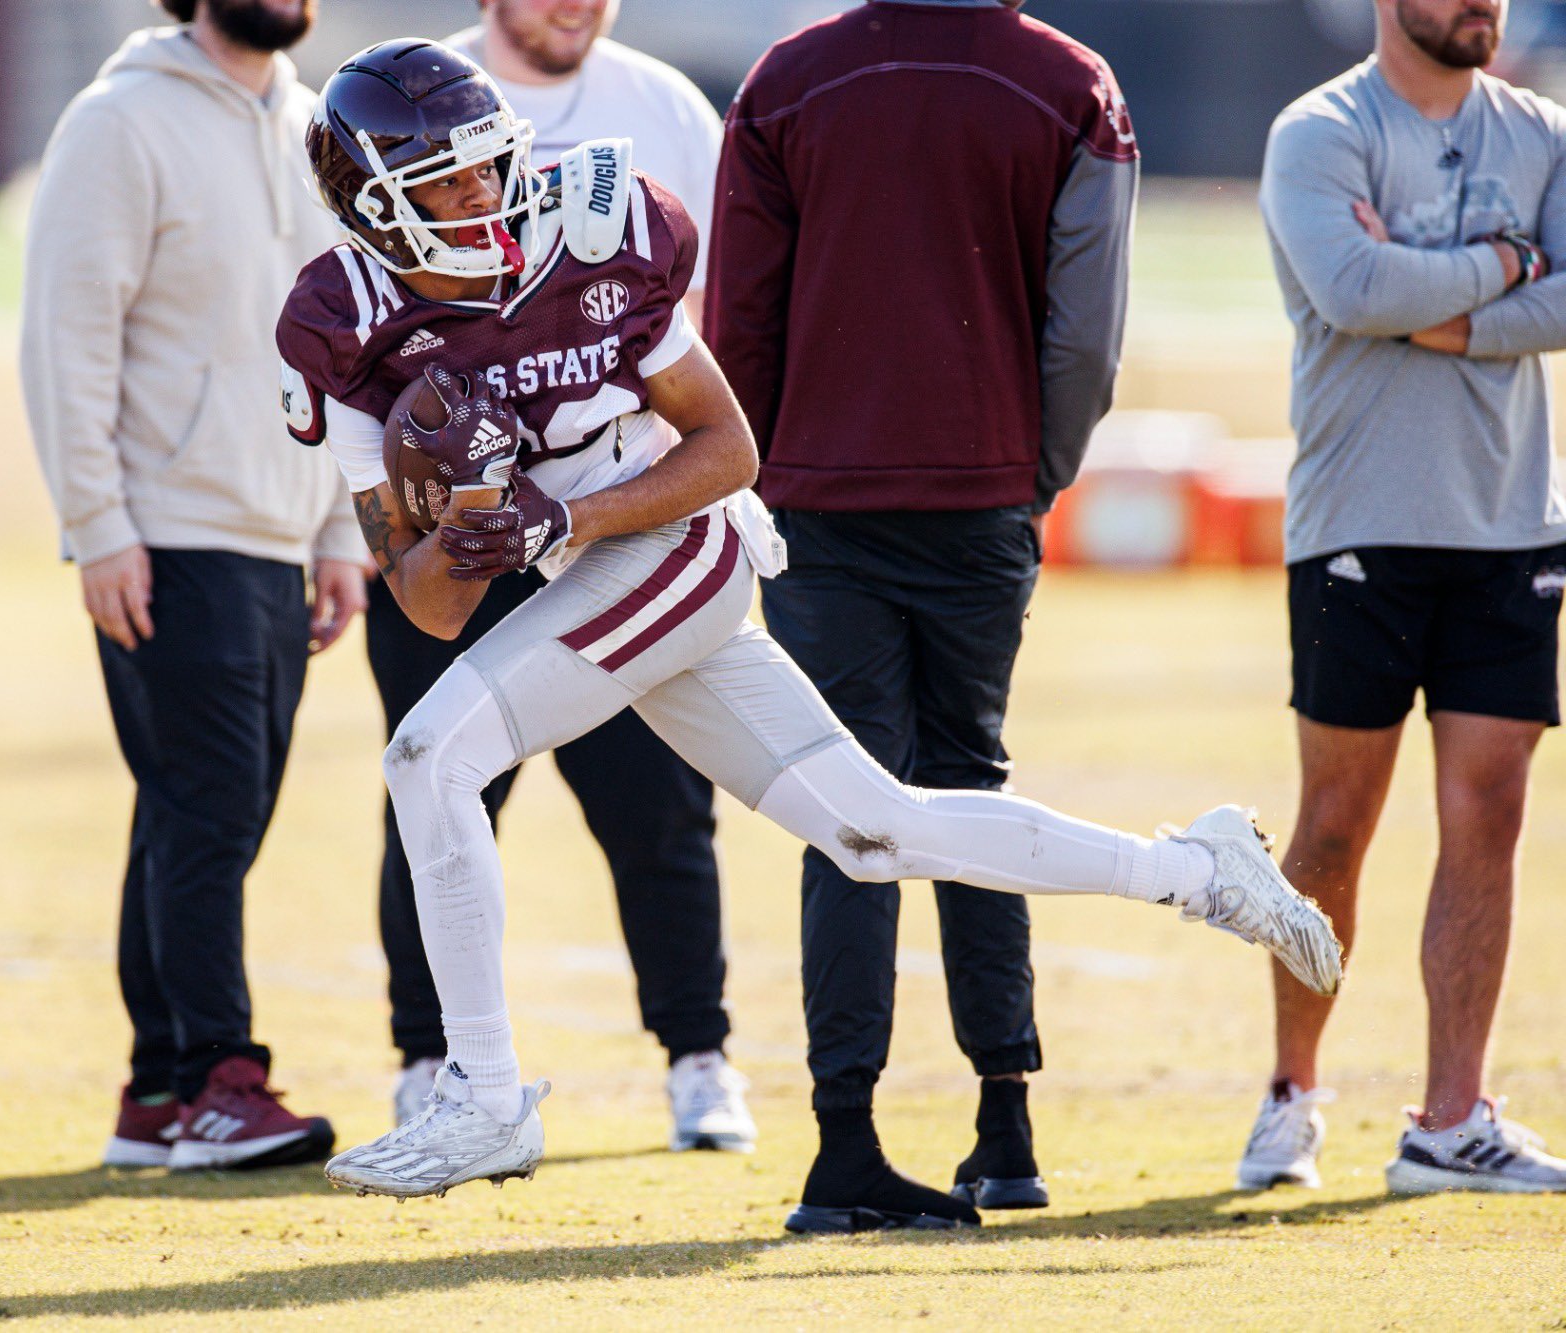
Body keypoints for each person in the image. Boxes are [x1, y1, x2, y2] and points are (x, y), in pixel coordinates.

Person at [276, 39, 1339, 1226]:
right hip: (583, 562)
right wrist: (471, 510)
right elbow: (427, 605)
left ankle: (480, 1092)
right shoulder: (340, 324)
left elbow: (729, 451)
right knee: (878, 830)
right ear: (379, 208)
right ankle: (1200, 870)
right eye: (451, 184)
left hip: (678, 542)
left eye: (492, 167)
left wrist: (554, 512)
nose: (487, 198)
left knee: (431, 755)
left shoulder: (600, 232)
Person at [706, 0, 1138, 1217]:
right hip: (981, 491)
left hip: (815, 502)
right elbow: (1086, 332)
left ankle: (843, 1143)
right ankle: (1006, 1130)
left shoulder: (787, 79)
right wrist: (1030, 471)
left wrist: (751, 482)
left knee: (846, 808)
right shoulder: (1068, 81)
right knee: (968, 782)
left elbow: (739, 317)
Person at [365, 0, 753, 1153]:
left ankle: (698, 1054)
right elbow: (350, 334)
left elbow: (710, 314)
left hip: (608, 519)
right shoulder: (398, 105)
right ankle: (429, 1060)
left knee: (656, 802)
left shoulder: (661, 106)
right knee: (434, 787)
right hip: (450, 518)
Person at [19, 0, 366, 1172]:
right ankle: (223, 1077)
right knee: (209, 811)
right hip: (167, 531)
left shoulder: (318, 128)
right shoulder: (118, 122)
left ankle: (158, 1090)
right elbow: (67, 336)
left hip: (280, 532)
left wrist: (337, 528)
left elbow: (337, 350)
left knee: (196, 811)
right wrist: (98, 525)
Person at [1242, 0, 1566, 1196]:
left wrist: (1438, 312)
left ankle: (1449, 1122)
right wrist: (1509, 265)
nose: (1481, 3)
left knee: (1489, 812)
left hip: (1511, 524)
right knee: (1333, 824)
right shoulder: (1316, 131)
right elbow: (1349, 291)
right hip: (1357, 525)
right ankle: (1290, 1095)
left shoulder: (1541, 129)